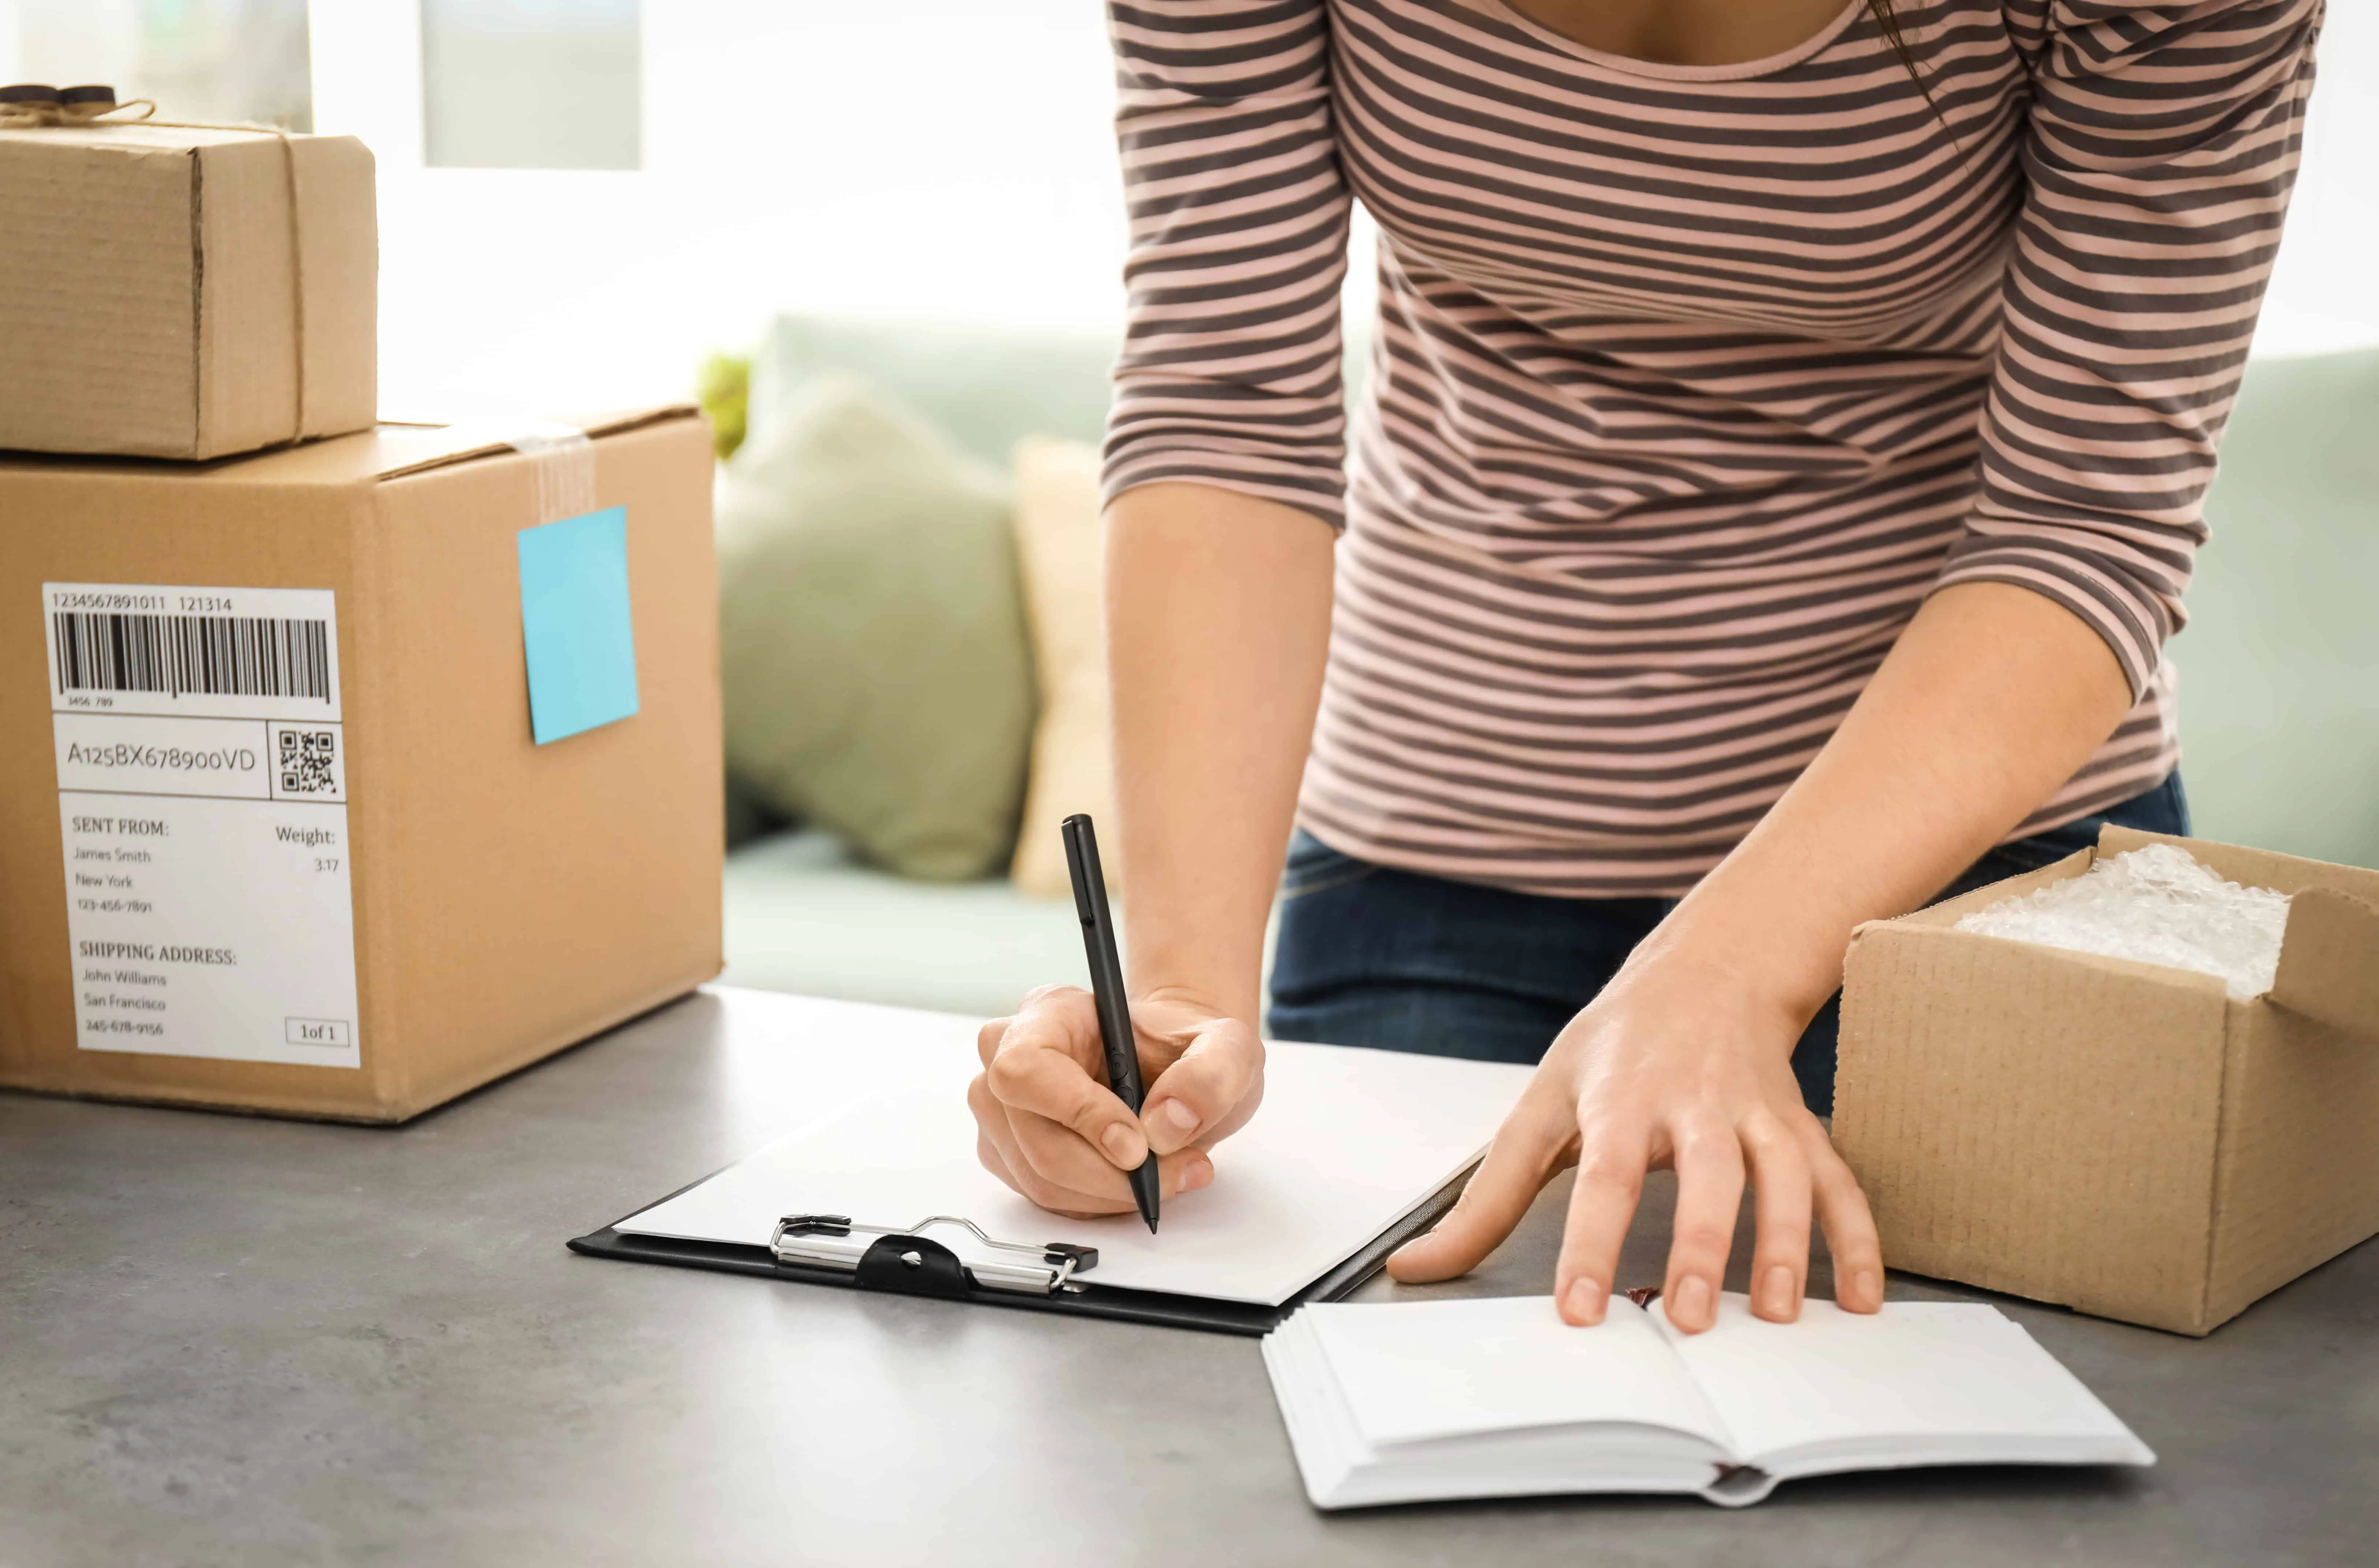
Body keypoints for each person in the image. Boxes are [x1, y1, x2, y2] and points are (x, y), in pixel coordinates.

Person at [966, 0, 2320, 1334]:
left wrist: (1726, 971)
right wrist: (1184, 998)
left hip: (1961, 886)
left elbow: (2083, 517)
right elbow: (1226, 399)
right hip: (1437, 865)